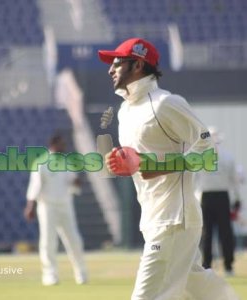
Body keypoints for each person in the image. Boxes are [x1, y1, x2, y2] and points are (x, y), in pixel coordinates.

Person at [98, 38, 239, 299]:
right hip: (153, 217)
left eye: (117, 63)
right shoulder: (124, 111)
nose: (110, 69)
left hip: (174, 218)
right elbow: (138, 159)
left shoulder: (166, 103)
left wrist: (157, 166)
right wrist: (118, 161)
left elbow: (208, 153)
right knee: (196, 286)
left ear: (138, 64)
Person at [24, 134, 88, 286]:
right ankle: (50, 275)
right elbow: (35, 186)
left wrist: (77, 182)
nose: (64, 147)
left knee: (74, 240)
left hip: (65, 205)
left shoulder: (67, 162)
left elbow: (73, 183)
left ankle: (81, 273)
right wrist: (30, 206)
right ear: (53, 144)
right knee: (48, 241)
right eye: (61, 144)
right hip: (47, 206)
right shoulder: (41, 163)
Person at [197, 127, 238, 275]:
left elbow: (194, 181)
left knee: (211, 233)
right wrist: (237, 199)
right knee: (221, 232)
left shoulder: (201, 157)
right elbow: (234, 181)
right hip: (216, 197)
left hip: (210, 197)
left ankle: (210, 265)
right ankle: (224, 266)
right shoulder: (227, 157)